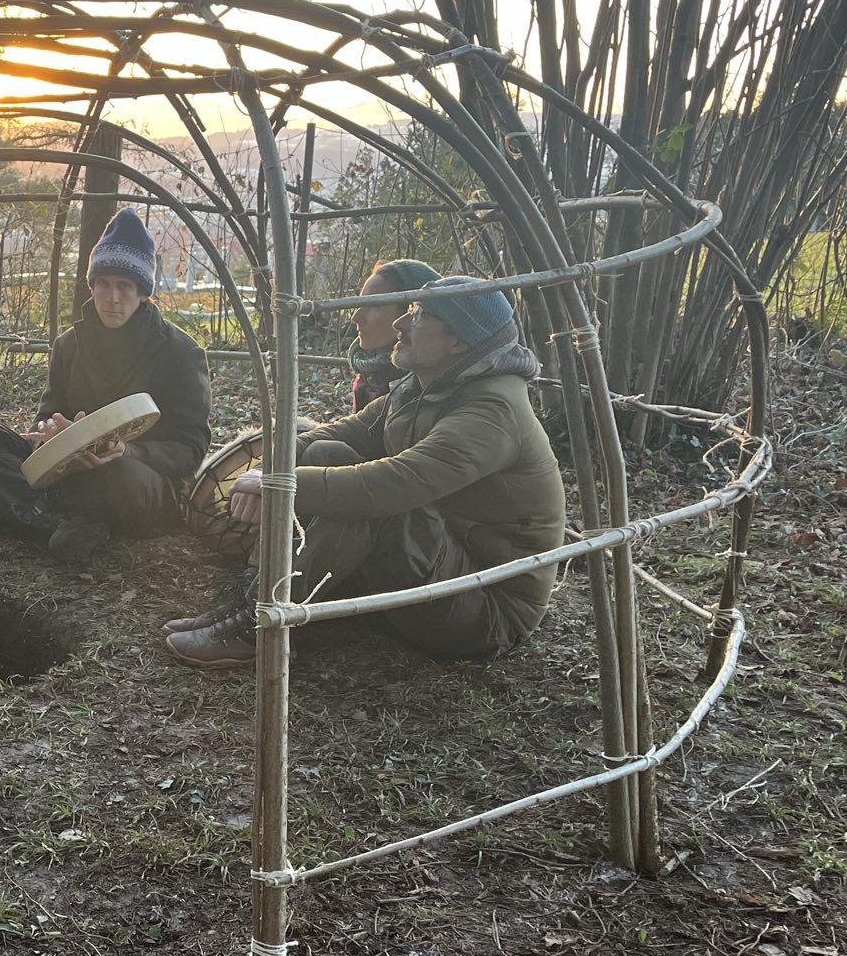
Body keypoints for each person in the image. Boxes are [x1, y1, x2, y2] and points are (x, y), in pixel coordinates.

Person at [165, 276, 565, 668]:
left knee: (373, 502)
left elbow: (394, 484)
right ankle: (255, 599)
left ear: (458, 341)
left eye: (419, 315)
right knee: (326, 453)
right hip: (442, 566)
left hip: (485, 609)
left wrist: (277, 486)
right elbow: (340, 433)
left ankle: (264, 625)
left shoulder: (492, 411)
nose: (400, 323)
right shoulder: (426, 387)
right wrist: (267, 469)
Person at [0, 206, 211, 562]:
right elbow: (47, 414)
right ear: (91, 285)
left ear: (143, 292)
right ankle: (54, 520)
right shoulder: (68, 345)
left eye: (124, 286)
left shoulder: (181, 352)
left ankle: (27, 508)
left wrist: (128, 451)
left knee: (110, 472)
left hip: (137, 480)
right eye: (103, 284)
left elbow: (191, 449)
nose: (112, 297)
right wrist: (49, 434)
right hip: (68, 470)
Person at [346, 259, 440, 410]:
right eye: (361, 303)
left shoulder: (428, 382)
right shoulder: (369, 376)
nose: (356, 317)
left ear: (411, 313)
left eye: (373, 305)